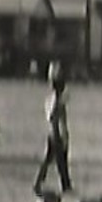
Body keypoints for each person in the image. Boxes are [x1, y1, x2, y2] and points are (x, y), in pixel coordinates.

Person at [33, 66, 72, 194]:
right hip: (57, 133)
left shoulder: (50, 99)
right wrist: (64, 133)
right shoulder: (58, 102)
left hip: (51, 132)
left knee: (50, 159)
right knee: (61, 160)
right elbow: (59, 118)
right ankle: (65, 185)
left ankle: (40, 182)